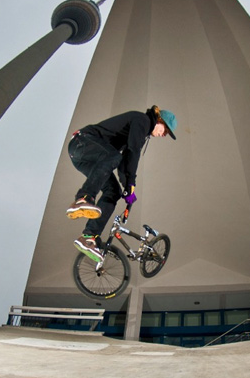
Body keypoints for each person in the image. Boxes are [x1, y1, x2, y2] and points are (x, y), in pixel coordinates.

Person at [66, 105, 177, 261]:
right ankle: (84, 198)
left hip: (86, 158)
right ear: (159, 120)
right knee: (113, 157)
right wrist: (130, 181)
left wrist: (129, 192)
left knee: (113, 191)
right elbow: (133, 151)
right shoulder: (142, 120)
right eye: (165, 130)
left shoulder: (139, 131)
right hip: (82, 141)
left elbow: (124, 164)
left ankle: (89, 237)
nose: (163, 135)